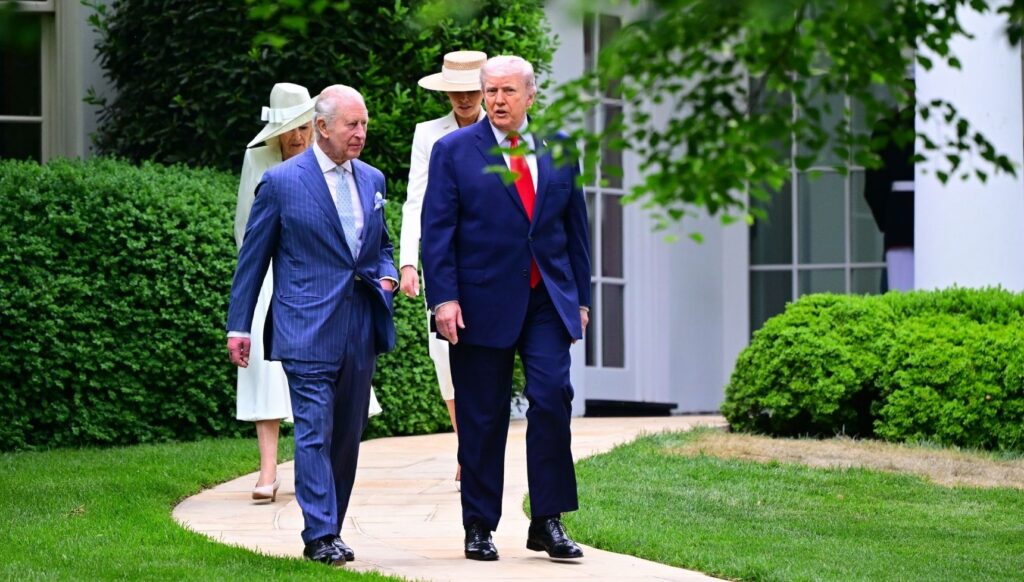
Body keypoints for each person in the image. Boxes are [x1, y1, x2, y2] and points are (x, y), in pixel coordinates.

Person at [421, 55, 592, 562]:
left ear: (530, 96)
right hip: (478, 303)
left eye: (507, 91)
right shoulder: (453, 151)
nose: (496, 99)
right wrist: (443, 298)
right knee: (481, 415)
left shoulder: (560, 148)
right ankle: (479, 525)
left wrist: (579, 299)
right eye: (490, 91)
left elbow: (575, 231)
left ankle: (547, 521)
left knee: (552, 396)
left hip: (545, 299)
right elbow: (438, 232)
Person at [226, 84, 398, 566]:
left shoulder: (373, 180)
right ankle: (319, 534)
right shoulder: (282, 183)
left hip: (360, 325)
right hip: (304, 327)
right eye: (352, 124)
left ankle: (332, 527)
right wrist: (238, 326)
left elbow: (381, 246)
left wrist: (386, 276)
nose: (361, 133)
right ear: (321, 127)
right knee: (314, 431)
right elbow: (252, 260)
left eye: (364, 124)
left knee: (347, 433)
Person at [399, 50, 487, 489]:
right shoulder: (427, 135)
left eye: (472, 88)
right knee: (445, 357)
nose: (464, 97)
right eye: (456, 89)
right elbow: (415, 199)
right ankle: (466, 446)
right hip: (443, 260)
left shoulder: (506, 130)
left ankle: (477, 449)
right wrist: (409, 261)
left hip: (493, 263)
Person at [864, 103, 915, 292]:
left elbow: (873, 187)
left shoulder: (887, 129)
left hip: (898, 220)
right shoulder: (940, 126)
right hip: (933, 222)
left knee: (901, 293)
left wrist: (888, 219)